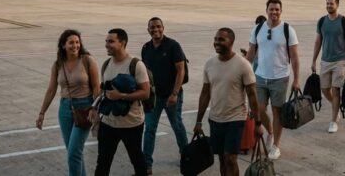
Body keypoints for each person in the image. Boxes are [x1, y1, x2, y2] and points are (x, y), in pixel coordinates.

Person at [195, 28, 261, 176]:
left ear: (231, 42)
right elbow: (205, 93)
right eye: (215, 39)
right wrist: (198, 121)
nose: (216, 43)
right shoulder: (209, 64)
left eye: (221, 40)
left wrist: (258, 123)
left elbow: (252, 95)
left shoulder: (243, 65)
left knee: (230, 158)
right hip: (215, 119)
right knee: (222, 160)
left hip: (235, 119)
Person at [36, 29, 100, 176]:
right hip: (65, 109)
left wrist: (95, 108)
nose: (75, 45)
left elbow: (97, 87)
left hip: (85, 109)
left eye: (77, 42)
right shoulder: (58, 65)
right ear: (63, 45)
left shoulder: (88, 60)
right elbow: (51, 90)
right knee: (74, 152)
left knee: (73, 153)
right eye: (71, 42)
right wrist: (42, 113)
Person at [245, 0, 300, 160]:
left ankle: (276, 145)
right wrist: (242, 70)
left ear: (281, 11)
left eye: (277, 9)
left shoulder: (288, 30)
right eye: (271, 9)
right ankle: (270, 132)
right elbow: (251, 52)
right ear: (266, 10)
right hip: (260, 77)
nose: (274, 12)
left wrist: (296, 79)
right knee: (259, 110)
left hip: (280, 78)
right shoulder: (257, 29)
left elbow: (295, 57)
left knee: (277, 112)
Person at [95, 28, 151, 176]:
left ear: (122, 43)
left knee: (137, 160)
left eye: (111, 41)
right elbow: (103, 92)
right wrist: (95, 110)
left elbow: (146, 93)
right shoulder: (106, 65)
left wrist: (121, 95)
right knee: (102, 162)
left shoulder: (136, 65)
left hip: (132, 124)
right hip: (108, 123)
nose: (107, 44)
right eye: (106, 41)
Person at [141, 17, 188, 173]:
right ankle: (146, 165)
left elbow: (181, 70)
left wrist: (174, 93)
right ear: (148, 30)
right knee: (149, 129)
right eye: (152, 27)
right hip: (154, 97)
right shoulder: (146, 48)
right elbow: (145, 73)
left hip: (171, 96)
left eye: (158, 27)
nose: (156, 30)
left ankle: (186, 157)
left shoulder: (173, 46)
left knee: (177, 126)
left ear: (163, 27)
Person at [311, 0, 345, 133]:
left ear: (337, 5)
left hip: (339, 61)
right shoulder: (322, 21)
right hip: (325, 61)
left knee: (336, 90)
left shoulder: (344, 21)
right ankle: (337, 105)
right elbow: (318, 41)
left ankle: (333, 120)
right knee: (325, 89)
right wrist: (313, 60)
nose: (329, 5)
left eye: (332, 3)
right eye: (328, 3)